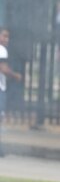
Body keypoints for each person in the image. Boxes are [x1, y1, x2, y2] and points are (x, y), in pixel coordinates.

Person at [0, 28, 23, 157]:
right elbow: (3, 68)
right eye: (4, 36)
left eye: (8, 37)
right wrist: (16, 76)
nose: (6, 39)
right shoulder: (1, 49)